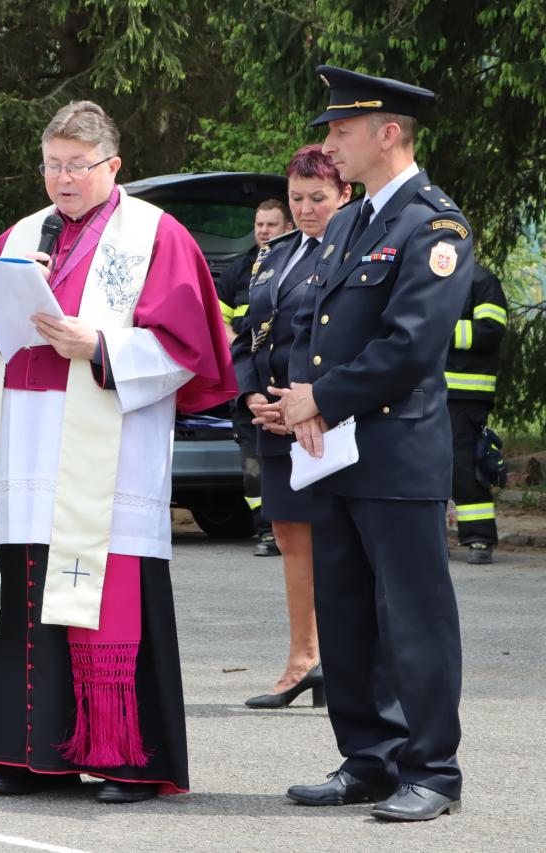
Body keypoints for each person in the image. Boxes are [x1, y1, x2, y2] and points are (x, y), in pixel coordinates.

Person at [0, 101, 236, 804]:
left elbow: (190, 349)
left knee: (105, 596)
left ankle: (126, 760)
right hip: (24, 453)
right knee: (21, 594)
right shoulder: (20, 235)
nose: (63, 179)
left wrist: (98, 344)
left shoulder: (155, 235)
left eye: (77, 165)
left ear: (113, 165)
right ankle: (25, 754)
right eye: (53, 165)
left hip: (107, 456)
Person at [266, 66, 471, 822]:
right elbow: (314, 323)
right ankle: (369, 758)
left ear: (388, 134)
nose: (329, 144)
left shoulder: (435, 226)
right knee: (347, 612)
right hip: (334, 448)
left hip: (396, 450)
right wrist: (296, 397)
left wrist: (320, 398)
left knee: (413, 617)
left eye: (341, 130)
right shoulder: (352, 219)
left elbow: (411, 345)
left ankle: (434, 770)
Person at [234, 145, 351, 708]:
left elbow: (348, 339)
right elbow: (249, 334)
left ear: (344, 194)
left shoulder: (353, 250)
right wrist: (252, 394)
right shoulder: (274, 254)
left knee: (339, 541)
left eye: (317, 198)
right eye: (296, 198)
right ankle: (305, 659)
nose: (305, 210)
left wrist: (308, 402)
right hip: (273, 417)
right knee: (289, 536)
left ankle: (347, 663)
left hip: (329, 416)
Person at [219, 199, 291, 557]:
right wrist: (243, 351)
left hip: (287, 378)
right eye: (259, 224)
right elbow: (219, 321)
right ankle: (266, 530)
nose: (263, 231)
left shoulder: (298, 261)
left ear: (287, 227)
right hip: (248, 378)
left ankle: (292, 528)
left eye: (271, 225)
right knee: (253, 464)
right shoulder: (238, 270)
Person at [445, 263, 507, 564]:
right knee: (424, 468)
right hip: (423, 394)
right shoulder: (422, 274)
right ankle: (431, 539)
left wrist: (439, 331)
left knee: (465, 467)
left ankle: (479, 538)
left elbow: (491, 329)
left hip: (466, 394)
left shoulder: (481, 279)